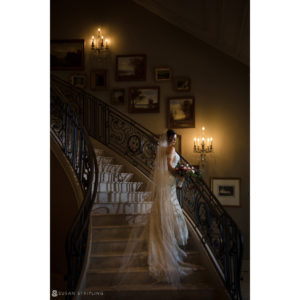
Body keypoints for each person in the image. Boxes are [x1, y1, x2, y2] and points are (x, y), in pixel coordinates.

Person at [115, 129, 195, 288]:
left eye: (174, 139)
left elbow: (165, 166)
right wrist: (183, 172)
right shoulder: (170, 149)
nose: (174, 141)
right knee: (171, 205)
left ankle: (163, 232)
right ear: (169, 139)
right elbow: (170, 167)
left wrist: (182, 171)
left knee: (165, 204)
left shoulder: (164, 149)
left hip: (166, 181)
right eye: (173, 139)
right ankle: (169, 236)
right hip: (170, 179)